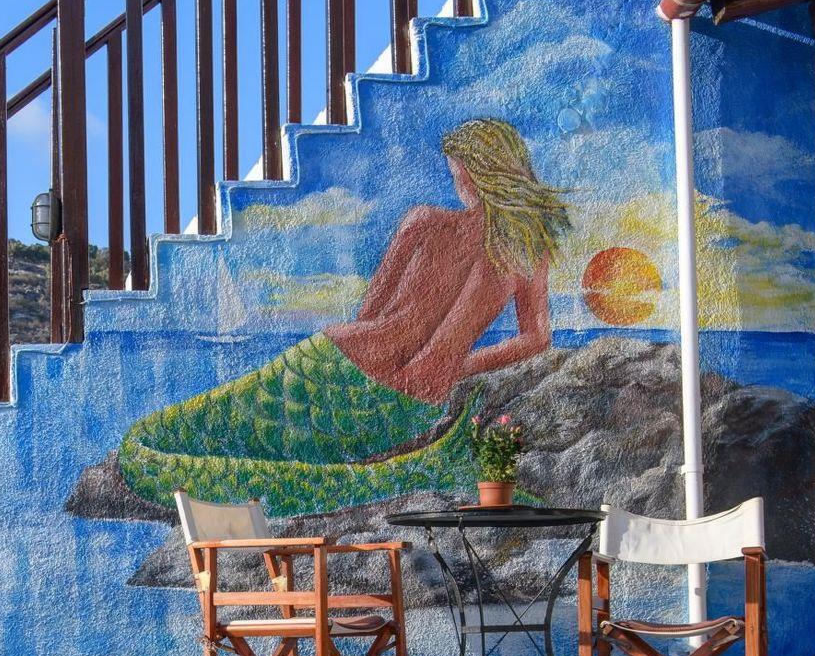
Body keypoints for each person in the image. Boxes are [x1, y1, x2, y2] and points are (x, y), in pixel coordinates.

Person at [117, 118, 573, 517]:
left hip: (335, 362)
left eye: (458, 175)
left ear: (475, 175)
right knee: (276, 451)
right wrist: (459, 366)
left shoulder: (423, 222)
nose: (458, 185)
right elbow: (536, 339)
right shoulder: (527, 252)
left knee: (184, 431)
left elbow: (370, 313)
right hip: (413, 407)